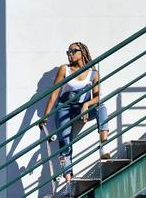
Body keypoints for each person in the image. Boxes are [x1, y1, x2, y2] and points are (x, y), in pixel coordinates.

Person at [43, 42, 110, 195]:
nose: (70, 54)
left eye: (73, 51)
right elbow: (54, 93)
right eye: (68, 52)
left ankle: (104, 146)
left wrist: (86, 105)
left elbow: (98, 98)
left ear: (83, 51)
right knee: (65, 144)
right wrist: (45, 116)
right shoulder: (64, 69)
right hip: (64, 109)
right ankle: (68, 183)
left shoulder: (94, 73)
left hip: (81, 109)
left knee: (102, 108)